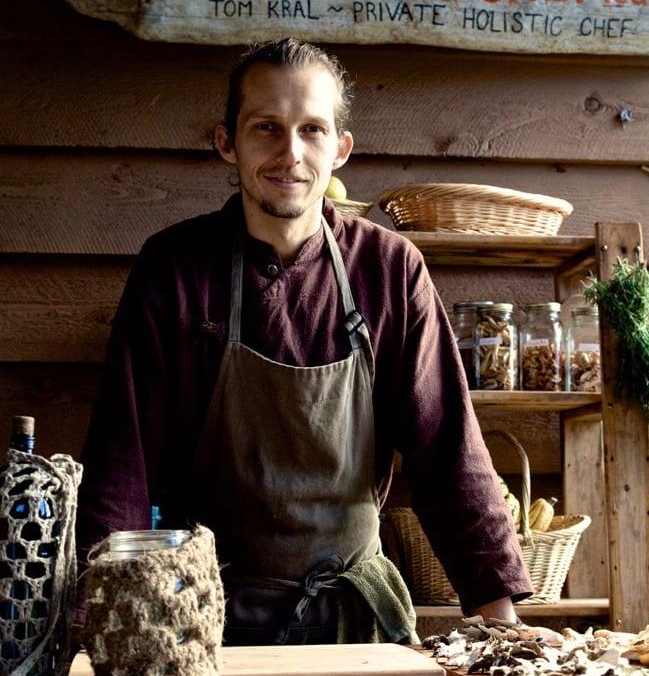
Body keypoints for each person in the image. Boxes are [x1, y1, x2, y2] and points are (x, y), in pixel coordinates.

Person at [76, 38, 532, 645]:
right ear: (226, 142)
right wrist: (96, 627)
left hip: (357, 617)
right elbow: (123, 458)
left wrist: (500, 616)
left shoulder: (390, 269)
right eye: (266, 127)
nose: (289, 153)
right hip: (200, 621)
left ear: (340, 149)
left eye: (312, 129)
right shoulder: (175, 269)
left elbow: (447, 447)